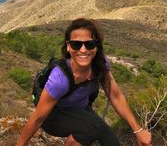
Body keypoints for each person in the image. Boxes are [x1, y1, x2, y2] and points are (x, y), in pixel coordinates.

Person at [17, 18, 152, 146]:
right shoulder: (60, 79)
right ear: (68, 47)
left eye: (89, 44)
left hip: (80, 111)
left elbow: (115, 96)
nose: (83, 50)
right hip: (53, 116)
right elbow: (38, 117)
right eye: (76, 44)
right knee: (93, 128)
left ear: (96, 46)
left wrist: (138, 131)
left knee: (110, 141)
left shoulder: (100, 65)